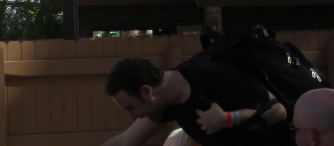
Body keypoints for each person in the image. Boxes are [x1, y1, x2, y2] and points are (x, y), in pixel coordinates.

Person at [102, 56, 289, 146]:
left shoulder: (211, 76)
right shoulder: (164, 104)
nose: (132, 117)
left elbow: (279, 111)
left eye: (131, 108)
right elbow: (125, 142)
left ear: (146, 92)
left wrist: (228, 119)